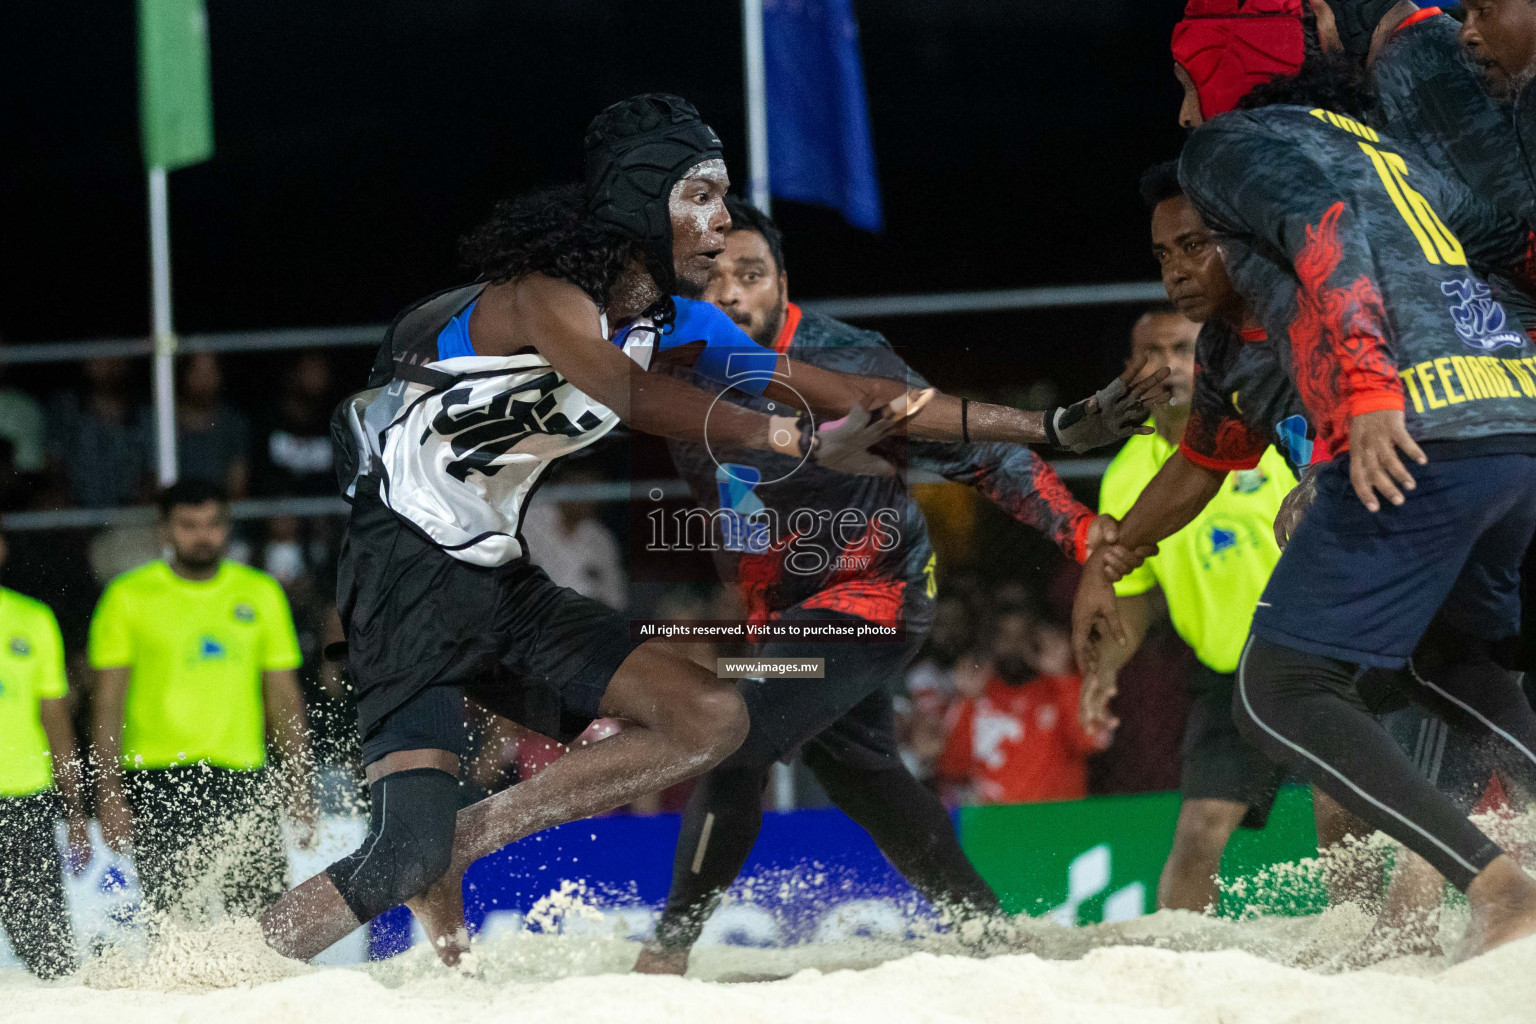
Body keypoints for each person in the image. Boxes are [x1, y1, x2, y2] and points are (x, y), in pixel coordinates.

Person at [259, 93, 1169, 966]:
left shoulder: (691, 327)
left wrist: (1049, 427)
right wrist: (763, 426)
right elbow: (635, 397)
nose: (722, 222)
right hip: (403, 586)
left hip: (568, 585)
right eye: (701, 196)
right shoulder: (543, 296)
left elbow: (868, 397)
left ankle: (488, 855)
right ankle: (227, 965)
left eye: (732, 213)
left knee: (717, 719)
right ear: (638, 203)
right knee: (401, 859)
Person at [1080, 65, 1536, 957]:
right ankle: (1466, 892)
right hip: (1503, 449)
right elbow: (1207, 459)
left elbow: (1360, 326)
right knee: (1442, 660)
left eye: (1195, 246)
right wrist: (1116, 549)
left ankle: (1499, 888)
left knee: (1280, 689)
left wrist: (1335, 460)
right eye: (1162, 256)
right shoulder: (1233, 340)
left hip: (1430, 448)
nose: (1176, 271)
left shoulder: (1324, 273)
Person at [632, 196, 1150, 974]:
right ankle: (990, 937)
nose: (732, 295)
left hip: (877, 597)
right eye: (712, 281)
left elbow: (981, 453)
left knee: (728, 729)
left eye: (751, 274)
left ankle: (667, 951)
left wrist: (1078, 530)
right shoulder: (673, 373)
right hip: (786, 611)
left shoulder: (851, 359)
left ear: (783, 280)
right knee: (869, 778)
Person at [1083, 292, 1299, 908]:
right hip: (1224, 676)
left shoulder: (1270, 432)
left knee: (1342, 817)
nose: (1166, 366)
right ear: (1130, 372)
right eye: (1149, 353)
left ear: (1213, 357)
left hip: (1314, 657)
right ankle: (1179, 967)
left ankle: (1363, 952)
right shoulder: (1125, 474)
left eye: (1182, 349)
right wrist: (1102, 671)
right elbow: (1132, 595)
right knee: (1200, 832)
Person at [89, 480, 316, 923]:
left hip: (242, 777)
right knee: (175, 924)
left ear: (227, 528)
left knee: (265, 921)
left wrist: (299, 781)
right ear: (165, 531)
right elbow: (108, 703)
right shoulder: (127, 596)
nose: (202, 535)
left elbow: (284, 697)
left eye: (212, 524)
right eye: (188, 525)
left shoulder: (260, 592)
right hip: (157, 779)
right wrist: (108, 789)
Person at [0, 523, 88, 978]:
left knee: (47, 952)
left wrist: (75, 811)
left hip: (22, 801)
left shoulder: (32, 619)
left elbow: (56, 723)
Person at [938, 605, 1108, 805]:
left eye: (1023, 634)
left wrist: (1063, 675)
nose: (1014, 643)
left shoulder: (1061, 684)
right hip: (995, 825)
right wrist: (966, 699)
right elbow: (952, 768)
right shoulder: (975, 691)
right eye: (1005, 635)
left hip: (1057, 822)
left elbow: (1094, 740)